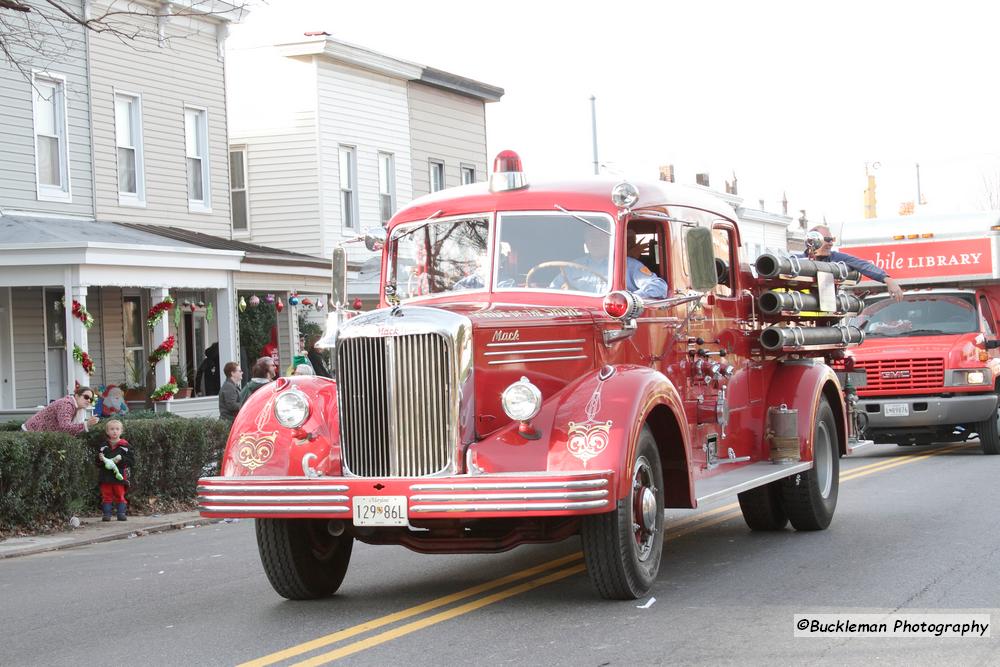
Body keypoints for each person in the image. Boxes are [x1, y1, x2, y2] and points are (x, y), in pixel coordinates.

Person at [551, 224, 669, 298]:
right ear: (585, 241)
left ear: (610, 240)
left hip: (614, 322)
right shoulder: (572, 267)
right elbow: (552, 291)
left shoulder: (628, 265)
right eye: (590, 237)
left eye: (600, 237)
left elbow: (659, 286)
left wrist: (629, 299)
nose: (594, 241)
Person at [802, 225, 904, 301]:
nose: (831, 243)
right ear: (813, 240)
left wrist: (887, 279)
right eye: (828, 240)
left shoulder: (836, 258)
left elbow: (862, 264)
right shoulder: (795, 262)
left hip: (827, 316)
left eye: (832, 239)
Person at [96, 419, 134, 521]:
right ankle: (106, 514)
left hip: (119, 476)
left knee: (120, 495)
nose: (114, 431)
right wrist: (100, 459)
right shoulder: (103, 446)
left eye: (117, 429)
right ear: (107, 432)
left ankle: (121, 513)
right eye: (112, 429)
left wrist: (121, 459)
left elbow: (131, 461)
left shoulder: (125, 446)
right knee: (106, 496)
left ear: (121, 431)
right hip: (105, 477)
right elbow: (97, 463)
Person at [22, 385, 100, 434]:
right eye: (86, 397)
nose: (89, 400)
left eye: (91, 399)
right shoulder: (66, 405)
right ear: (76, 396)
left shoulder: (77, 408)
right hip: (30, 434)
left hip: (39, 435)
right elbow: (65, 427)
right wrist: (86, 424)